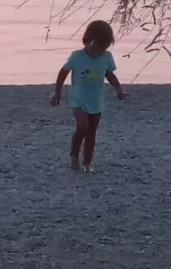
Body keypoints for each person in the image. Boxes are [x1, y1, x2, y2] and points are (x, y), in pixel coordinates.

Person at [51, 20, 127, 172]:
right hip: (78, 99)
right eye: (93, 48)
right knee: (82, 126)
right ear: (87, 41)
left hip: (96, 100)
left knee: (92, 131)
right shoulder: (77, 56)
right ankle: (73, 155)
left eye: (101, 48)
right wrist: (57, 91)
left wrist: (118, 89)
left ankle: (87, 162)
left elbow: (109, 74)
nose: (96, 52)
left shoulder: (106, 57)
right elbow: (63, 72)